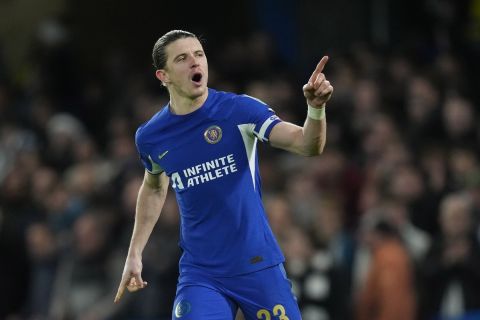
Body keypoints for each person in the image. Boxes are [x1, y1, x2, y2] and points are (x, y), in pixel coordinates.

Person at [114, 29, 333, 320]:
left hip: (256, 263)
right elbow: (153, 187)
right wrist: (135, 252)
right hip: (201, 272)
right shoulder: (152, 136)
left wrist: (315, 109)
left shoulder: (239, 110)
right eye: (182, 58)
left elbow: (307, 145)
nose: (195, 63)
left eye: (199, 55)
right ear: (163, 76)